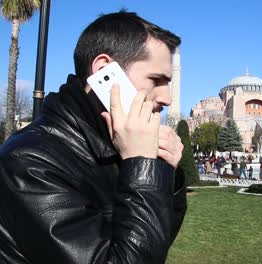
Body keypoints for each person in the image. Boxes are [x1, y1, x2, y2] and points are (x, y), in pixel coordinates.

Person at [0, 11, 186, 263]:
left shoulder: (119, 146)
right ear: (105, 72)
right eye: (156, 79)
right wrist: (142, 166)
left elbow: (153, 246)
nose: (166, 98)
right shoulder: (30, 162)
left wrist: (163, 173)